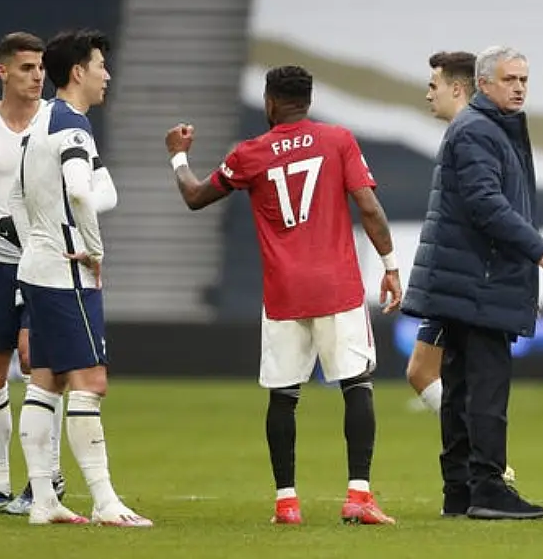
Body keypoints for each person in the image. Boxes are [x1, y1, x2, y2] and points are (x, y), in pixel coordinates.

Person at [164, 65, 401, 526]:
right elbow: (369, 206)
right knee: (357, 385)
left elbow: (195, 196)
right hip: (337, 287)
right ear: (307, 101)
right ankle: (358, 496)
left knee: (283, 395)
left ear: (270, 102)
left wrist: (178, 156)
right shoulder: (338, 140)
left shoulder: (249, 154)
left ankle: (287, 503)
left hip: (284, 292)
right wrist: (391, 267)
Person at [0, 32, 117, 516]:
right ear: (3, 71)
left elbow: (96, 187)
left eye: (41, 67)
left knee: (36, 359)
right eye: (25, 68)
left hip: (44, 259)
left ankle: (47, 482)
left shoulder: (56, 122)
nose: (37, 76)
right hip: (0, 257)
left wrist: (69, 223)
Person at [402, 46, 543, 520]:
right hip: (479, 279)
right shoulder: (478, 130)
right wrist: (540, 249)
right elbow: (486, 204)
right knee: (486, 389)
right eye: (510, 79)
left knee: (458, 388)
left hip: (467, 277)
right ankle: (488, 487)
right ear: (484, 84)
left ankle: (460, 490)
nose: (519, 87)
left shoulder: (486, 128)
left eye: (524, 80)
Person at [13, 29, 150, 527]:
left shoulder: (39, 123)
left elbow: (18, 198)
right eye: (100, 65)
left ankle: (45, 501)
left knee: (45, 382)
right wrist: (94, 249)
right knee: (91, 382)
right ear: (78, 72)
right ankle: (104, 500)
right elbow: (81, 193)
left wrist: (41, 242)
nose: (106, 74)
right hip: (67, 271)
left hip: (38, 264)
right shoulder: (72, 127)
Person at [417, 50, 517, 485]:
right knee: (434, 373)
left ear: (458, 88)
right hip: (454, 278)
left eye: (433, 86)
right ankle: (474, 472)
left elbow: (487, 208)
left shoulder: (472, 131)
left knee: (436, 373)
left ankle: (482, 470)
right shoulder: (470, 131)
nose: (427, 95)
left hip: (464, 281)